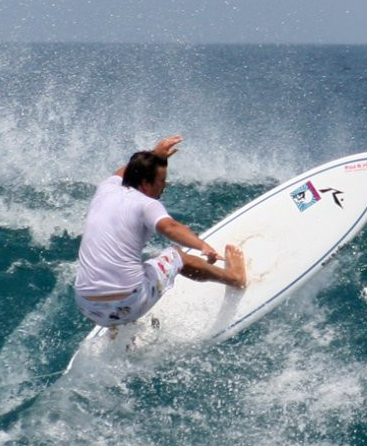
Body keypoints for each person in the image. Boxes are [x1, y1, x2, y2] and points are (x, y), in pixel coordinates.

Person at [73, 134, 246, 327]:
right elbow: (169, 227)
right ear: (146, 184)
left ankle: (119, 330)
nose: (165, 185)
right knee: (177, 255)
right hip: (130, 302)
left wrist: (156, 155)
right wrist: (202, 245)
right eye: (161, 180)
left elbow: (128, 170)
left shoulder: (106, 189)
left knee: (137, 267)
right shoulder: (146, 204)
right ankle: (235, 278)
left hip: (88, 307)